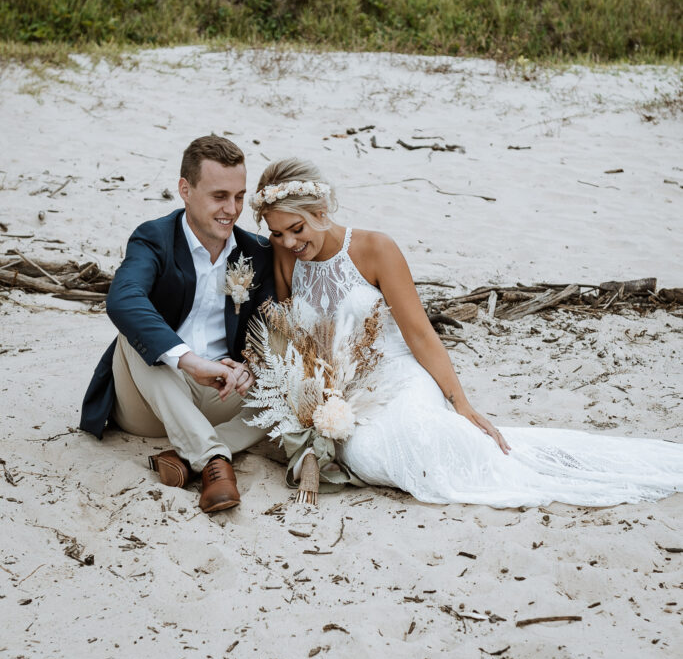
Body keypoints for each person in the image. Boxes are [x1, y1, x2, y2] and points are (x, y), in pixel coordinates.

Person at [251, 158, 683, 507]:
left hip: (397, 377)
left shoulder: (374, 248)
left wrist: (462, 403)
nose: (289, 242)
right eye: (277, 233)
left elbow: (420, 334)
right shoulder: (286, 258)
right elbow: (294, 337)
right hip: (343, 393)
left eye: (297, 229)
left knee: (425, 437)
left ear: (321, 214)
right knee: (366, 455)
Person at [80, 135, 275, 514]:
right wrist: (188, 360)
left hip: (222, 394)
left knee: (289, 384)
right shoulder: (154, 238)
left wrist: (252, 365)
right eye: (219, 196)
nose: (231, 209)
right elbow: (123, 299)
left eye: (239, 196)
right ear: (185, 189)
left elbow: (272, 323)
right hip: (150, 400)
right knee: (135, 335)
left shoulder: (257, 252)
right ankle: (216, 463)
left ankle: (187, 455)